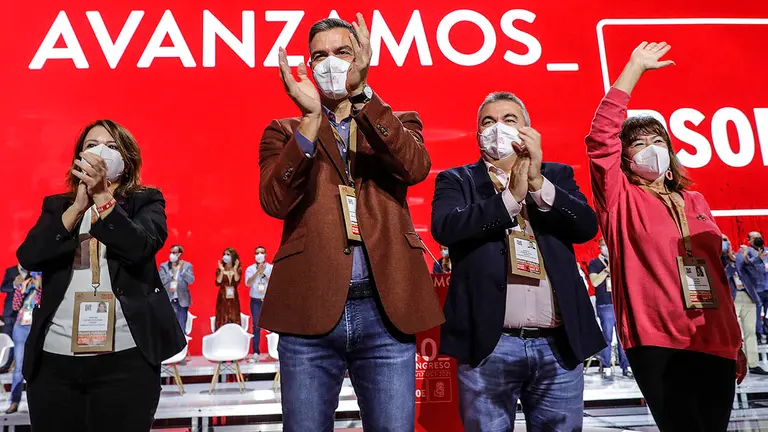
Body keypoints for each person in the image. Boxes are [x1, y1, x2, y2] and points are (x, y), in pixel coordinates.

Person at [258, 15, 443, 431]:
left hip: (385, 308)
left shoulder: (398, 121)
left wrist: (361, 95)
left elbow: (414, 168)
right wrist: (309, 121)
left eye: (342, 52)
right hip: (309, 307)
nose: (331, 63)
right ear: (308, 65)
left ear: (361, 56)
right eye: (319, 56)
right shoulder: (284, 131)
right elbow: (274, 201)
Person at [585, 42, 744, 431]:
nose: (650, 149)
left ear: (671, 153)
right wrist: (634, 69)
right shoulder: (620, 198)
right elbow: (601, 137)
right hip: (658, 340)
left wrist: (735, 341)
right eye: (638, 144)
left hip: (716, 339)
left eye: (658, 142)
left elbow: (717, 276)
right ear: (625, 158)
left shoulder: (695, 200)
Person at [431, 90, 604, 431]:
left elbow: (586, 226)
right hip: (489, 346)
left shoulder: (557, 175)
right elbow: (445, 228)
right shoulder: (457, 180)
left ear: (528, 130)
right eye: (488, 122)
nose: (498, 127)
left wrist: (537, 183)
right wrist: (510, 198)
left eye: (509, 120)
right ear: (477, 135)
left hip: (557, 344)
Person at [16, 119, 186, 431]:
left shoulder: (145, 201)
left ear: (127, 159)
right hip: (55, 359)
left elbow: (140, 247)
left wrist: (102, 198)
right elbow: (30, 256)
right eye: (91, 145)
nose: (100, 152)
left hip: (126, 357)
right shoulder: (57, 206)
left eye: (110, 146)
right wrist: (76, 208)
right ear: (78, 158)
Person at [724, 235, 768, 375]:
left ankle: (753, 364)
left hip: (748, 296)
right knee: (734, 334)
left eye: (727, 240)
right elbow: (722, 277)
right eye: (723, 241)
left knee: (750, 332)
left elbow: (753, 271)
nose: (726, 243)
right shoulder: (717, 259)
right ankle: (735, 364)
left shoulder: (739, 255)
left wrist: (753, 259)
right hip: (731, 299)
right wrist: (731, 265)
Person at [589, 238, 631, 379]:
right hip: (605, 304)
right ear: (600, 247)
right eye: (604, 245)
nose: (606, 248)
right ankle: (606, 366)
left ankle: (626, 366)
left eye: (608, 245)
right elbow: (595, 282)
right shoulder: (595, 263)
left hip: (620, 304)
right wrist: (606, 271)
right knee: (607, 336)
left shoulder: (617, 261)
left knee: (622, 337)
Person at [6, 271, 41, 414]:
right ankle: (14, 401)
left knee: (39, 366)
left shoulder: (45, 284)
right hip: (21, 327)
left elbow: (44, 303)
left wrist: (39, 286)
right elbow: (15, 306)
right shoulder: (24, 283)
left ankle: (39, 403)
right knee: (19, 367)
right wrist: (21, 287)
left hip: (37, 328)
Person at [738, 232, 768, 343]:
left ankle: (767, 333)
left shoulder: (766, 250)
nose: (758, 239)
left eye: (760, 237)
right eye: (755, 238)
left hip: (767, 286)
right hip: (755, 289)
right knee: (756, 314)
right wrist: (756, 258)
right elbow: (746, 265)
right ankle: (758, 336)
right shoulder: (745, 252)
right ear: (749, 240)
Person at [159, 245, 195, 333]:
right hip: (169, 300)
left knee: (181, 328)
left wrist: (182, 270)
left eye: (174, 253)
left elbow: (191, 280)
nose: (171, 255)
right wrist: (173, 273)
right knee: (168, 328)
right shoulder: (164, 266)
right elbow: (161, 280)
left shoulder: (187, 266)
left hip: (182, 301)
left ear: (179, 254)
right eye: (170, 252)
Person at [245, 246, 272, 362]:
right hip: (255, 301)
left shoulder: (271, 267)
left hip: (268, 300)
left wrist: (263, 274)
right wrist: (257, 272)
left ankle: (274, 351)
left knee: (273, 326)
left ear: (265, 254)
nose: (259, 255)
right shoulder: (250, 269)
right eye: (257, 253)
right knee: (256, 326)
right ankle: (256, 352)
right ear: (254, 255)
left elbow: (274, 282)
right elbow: (248, 283)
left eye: (262, 252)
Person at [0, 265, 22, 371]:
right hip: (9, 312)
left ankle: (17, 365)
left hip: (24, 313)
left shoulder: (32, 271)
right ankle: (5, 365)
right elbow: (3, 288)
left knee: (20, 341)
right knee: (7, 339)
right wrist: (14, 284)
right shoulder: (11, 270)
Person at [215, 248, 241, 330]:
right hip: (222, 297)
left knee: (233, 315)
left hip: (233, 297)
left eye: (228, 254)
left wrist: (235, 268)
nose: (225, 256)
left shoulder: (238, 269)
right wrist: (222, 271)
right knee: (222, 316)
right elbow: (218, 282)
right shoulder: (220, 269)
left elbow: (237, 280)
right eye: (224, 254)